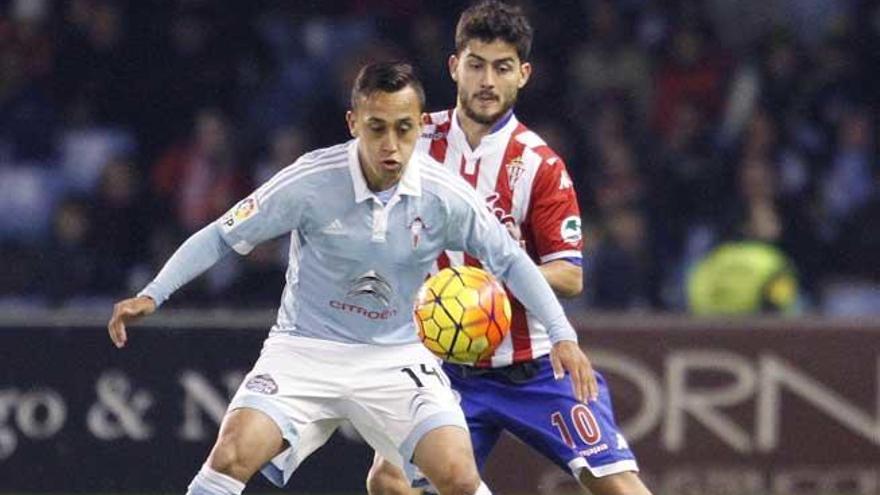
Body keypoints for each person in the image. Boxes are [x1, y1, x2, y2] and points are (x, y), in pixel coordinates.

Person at [106, 61, 596, 495]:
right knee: (232, 454)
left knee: (459, 476)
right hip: (304, 349)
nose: (392, 145)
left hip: (396, 354)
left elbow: (510, 261)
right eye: (377, 128)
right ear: (353, 123)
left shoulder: (444, 194)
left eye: (405, 129)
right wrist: (153, 293)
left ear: (419, 126)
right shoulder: (311, 181)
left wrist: (563, 335)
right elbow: (220, 236)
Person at [366, 3, 652, 495]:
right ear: (455, 66)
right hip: (445, 366)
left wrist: (485, 286)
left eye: (501, 68)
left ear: (523, 75)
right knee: (388, 482)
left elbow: (569, 274)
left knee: (618, 487)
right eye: (475, 64)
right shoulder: (413, 141)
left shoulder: (540, 165)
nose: (486, 80)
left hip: (536, 367)